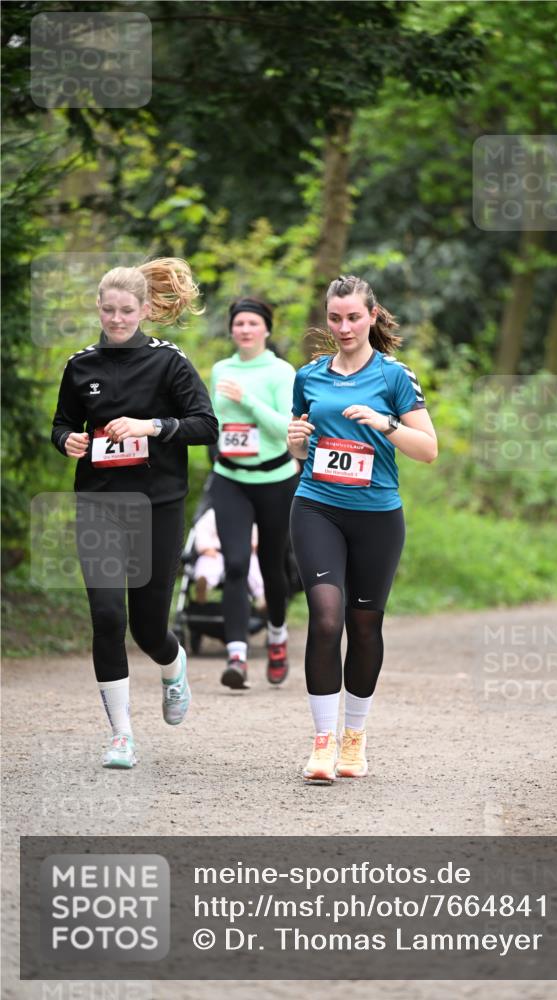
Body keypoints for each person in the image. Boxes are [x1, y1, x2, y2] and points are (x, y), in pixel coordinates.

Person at [51, 258, 218, 769]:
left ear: (144, 310)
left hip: (157, 507)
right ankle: (122, 735)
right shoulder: (80, 365)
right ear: (97, 308)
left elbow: (205, 426)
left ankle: (173, 665)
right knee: (106, 616)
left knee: (147, 629)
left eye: (127, 310)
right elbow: (61, 424)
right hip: (98, 504)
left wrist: (152, 427)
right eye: (108, 310)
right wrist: (69, 441)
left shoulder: (169, 363)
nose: (117, 319)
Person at [287, 274, 438, 782]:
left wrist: (385, 424)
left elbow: (429, 450)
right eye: (335, 318)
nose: (344, 327)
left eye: (353, 317)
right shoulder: (308, 376)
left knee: (364, 625)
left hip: (376, 515)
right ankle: (323, 743)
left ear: (373, 316)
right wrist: (295, 441)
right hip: (317, 506)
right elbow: (301, 451)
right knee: (326, 619)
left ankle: (355, 739)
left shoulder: (395, 377)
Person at [210, 297, 300, 689]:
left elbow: (286, 428)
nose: (245, 329)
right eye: (239, 323)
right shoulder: (220, 369)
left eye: (252, 323)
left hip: (275, 479)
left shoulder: (281, 372)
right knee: (233, 564)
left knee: (272, 566)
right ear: (231, 329)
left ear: (266, 329)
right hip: (230, 477)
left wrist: (247, 400)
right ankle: (237, 656)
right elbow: (215, 422)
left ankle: (277, 636)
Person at [192, 508, 265, 612]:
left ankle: (261, 595)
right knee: (208, 563)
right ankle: (204, 585)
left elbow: (255, 536)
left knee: (254, 566)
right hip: (216, 551)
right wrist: (206, 548)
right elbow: (201, 530)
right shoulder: (212, 514)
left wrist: (254, 544)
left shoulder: (248, 515)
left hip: (243, 553)